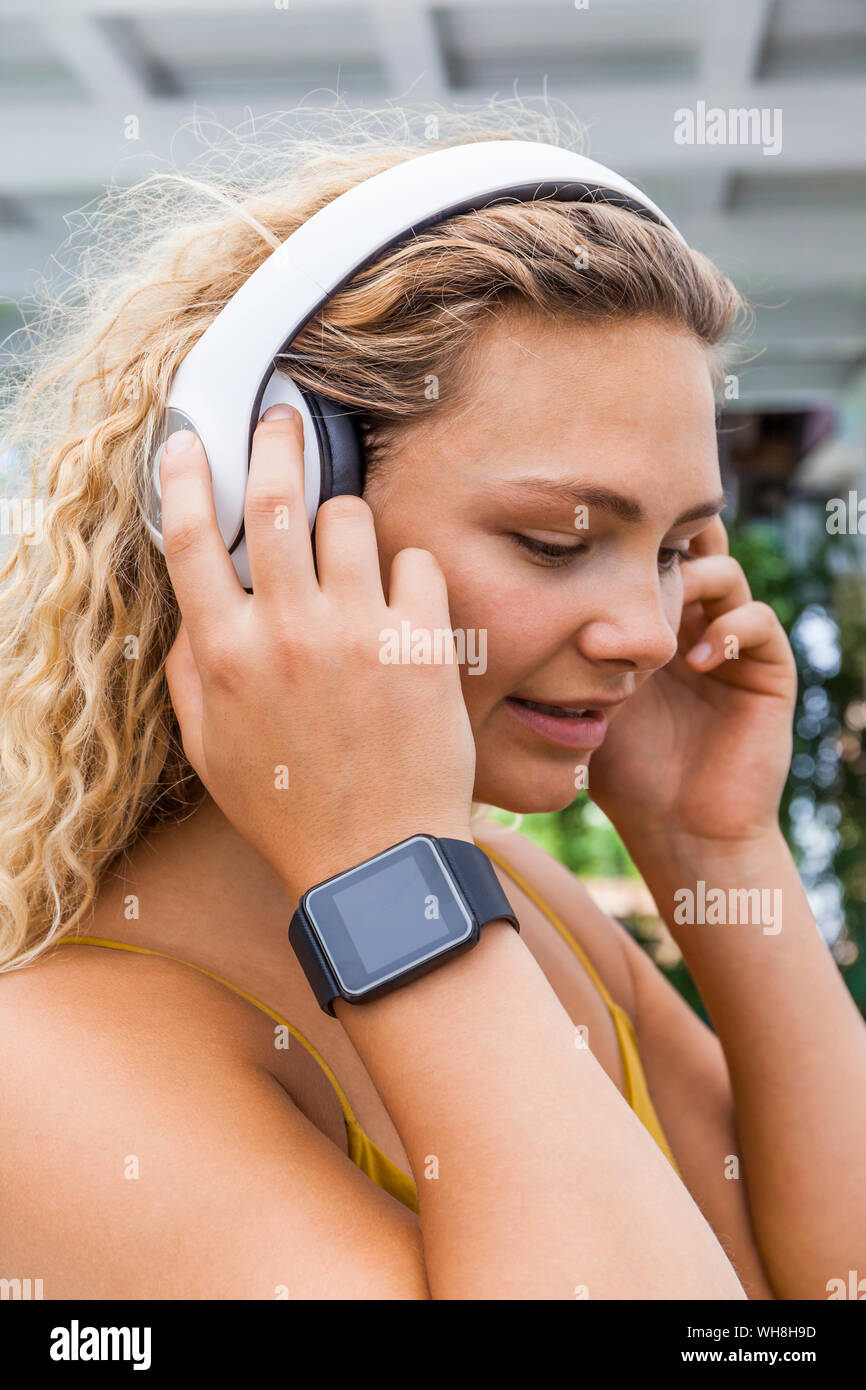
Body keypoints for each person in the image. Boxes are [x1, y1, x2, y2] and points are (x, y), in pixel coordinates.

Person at [1, 106, 864, 1301]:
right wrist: (378, 869)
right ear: (274, 518)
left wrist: (711, 842)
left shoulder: (526, 903)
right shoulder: (49, 1067)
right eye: (556, 541)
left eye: (672, 547)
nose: (652, 633)